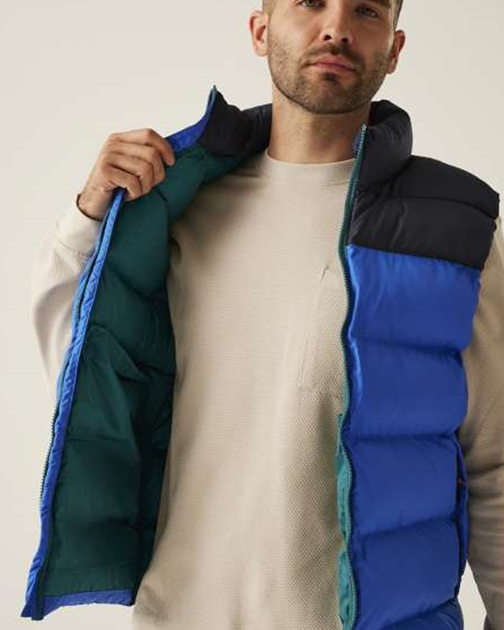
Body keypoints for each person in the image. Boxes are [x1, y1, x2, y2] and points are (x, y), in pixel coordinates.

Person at [23, 1, 503, 629]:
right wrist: (90, 215)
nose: (336, 28)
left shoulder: (451, 233)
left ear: (394, 48)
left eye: (366, 10)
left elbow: (496, 460)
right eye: (310, 2)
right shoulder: (176, 209)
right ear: (260, 30)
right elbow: (81, 370)